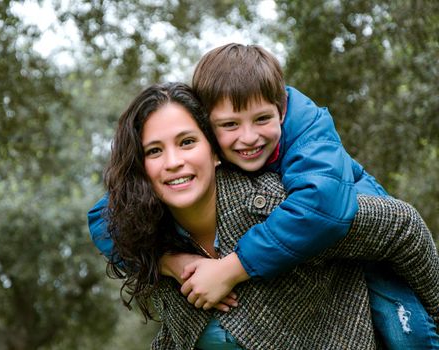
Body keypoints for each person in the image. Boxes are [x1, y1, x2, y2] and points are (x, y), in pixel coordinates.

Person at [90, 43, 439, 348]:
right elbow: (105, 221)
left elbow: (331, 210)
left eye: (186, 142)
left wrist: (233, 267)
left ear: (281, 109)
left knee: (408, 333)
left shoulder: (299, 149)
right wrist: (171, 263)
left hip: (362, 238)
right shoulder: (155, 218)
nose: (248, 137)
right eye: (229, 125)